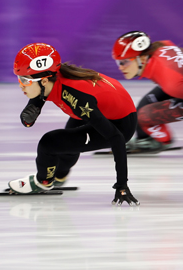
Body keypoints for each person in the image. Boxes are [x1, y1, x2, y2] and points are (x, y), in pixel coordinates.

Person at [11, 42, 139, 205]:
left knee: (49, 143)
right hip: (103, 108)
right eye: (19, 79)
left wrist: (122, 185)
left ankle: (43, 182)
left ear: (44, 81)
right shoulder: (53, 77)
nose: (21, 85)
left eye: (24, 80)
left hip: (120, 125)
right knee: (67, 144)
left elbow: (116, 138)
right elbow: (39, 94)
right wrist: (33, 106)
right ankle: (59, 177)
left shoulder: (76, 99)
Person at [111, 30, 183, 164]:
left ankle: (163, 141)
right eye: (118, 62)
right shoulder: (159, 46)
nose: (120, 68)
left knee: (144, 115)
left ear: (143, 59)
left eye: (124, 62)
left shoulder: (171, 83)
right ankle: (145, 140)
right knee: (141, 107)